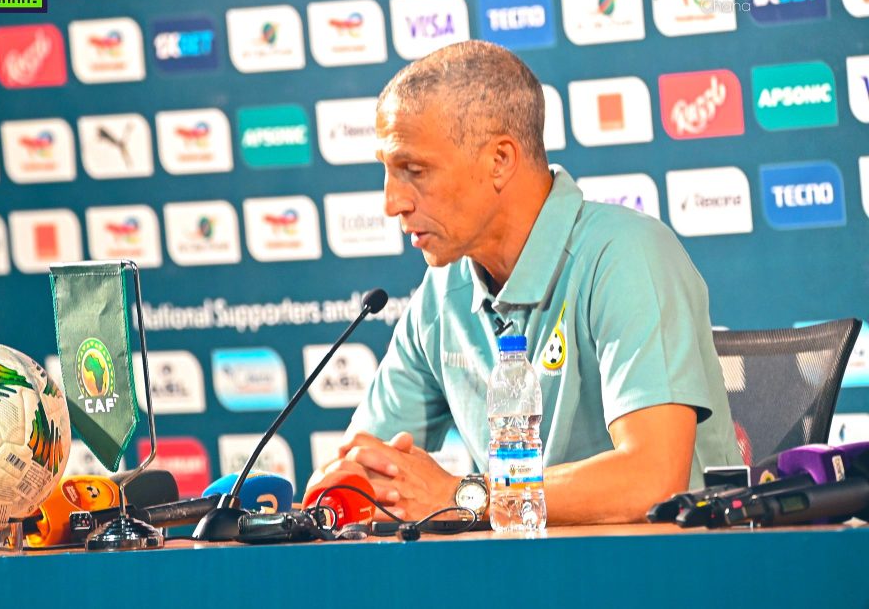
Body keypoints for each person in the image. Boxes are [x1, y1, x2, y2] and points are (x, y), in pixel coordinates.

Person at [306, 40, 741, 525]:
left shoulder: (627, 254)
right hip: (521, 566)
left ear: (499, 160)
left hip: (666, 564)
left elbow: (651, 479)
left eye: (414, 170)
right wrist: (348, 486)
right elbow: (364, 474)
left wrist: (464, 495)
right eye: (387, 172)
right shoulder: (441, 293)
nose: (392, 203)